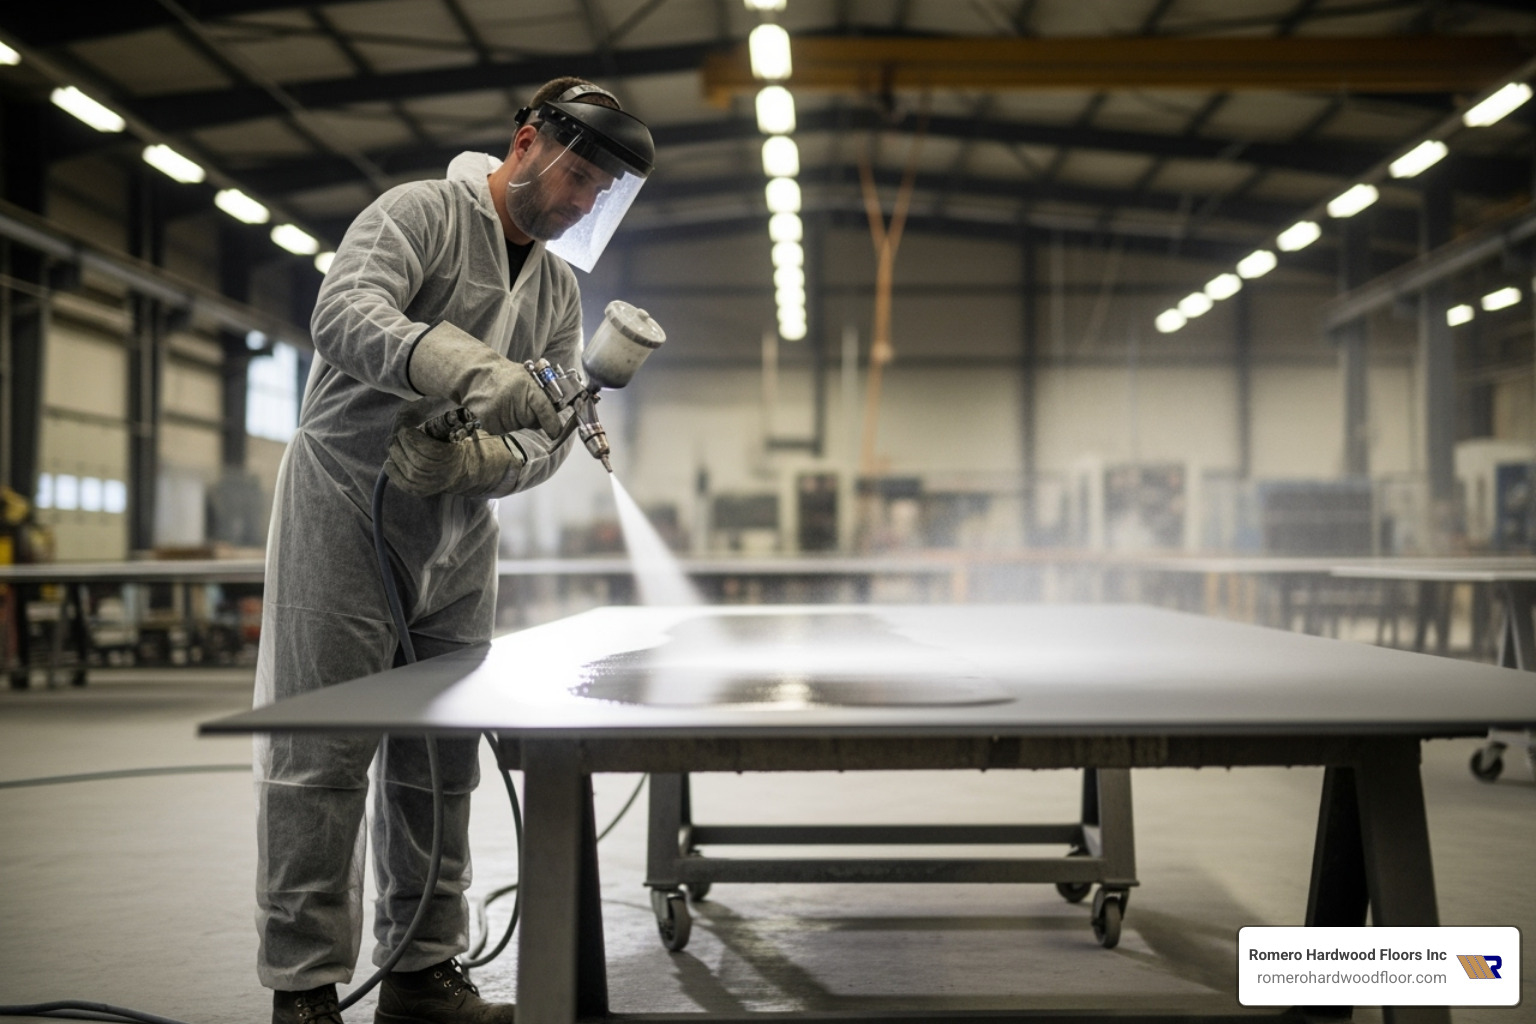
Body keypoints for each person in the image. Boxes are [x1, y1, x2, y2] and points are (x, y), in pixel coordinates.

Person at [252, 77, 655, 1024]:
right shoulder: (416, 217)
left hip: (458, 540)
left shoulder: (557, 286)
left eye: (603, 190)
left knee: (439, 764)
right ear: (527, 143)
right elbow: (344, 316)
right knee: (322, 756)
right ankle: (304, 988)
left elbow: (549, 439)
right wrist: (473, 371)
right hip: (344, 510)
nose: (585, 198)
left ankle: (424, 970)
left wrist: (474, 459)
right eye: (580, 174)